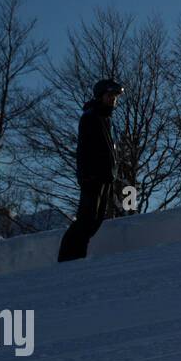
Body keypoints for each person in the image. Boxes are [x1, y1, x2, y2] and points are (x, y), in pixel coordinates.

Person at [56, 78, 123, 262]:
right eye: (110, 96)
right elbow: (83, 150)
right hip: (93, 177)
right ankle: (68, 259)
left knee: (95, 221)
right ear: (100, 96)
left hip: (106, 177)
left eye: (115, 96)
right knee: (87, 219)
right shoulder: (91, 117)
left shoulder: (106, 118)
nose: (113, 100)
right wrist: (86, 175)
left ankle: (76, 257)